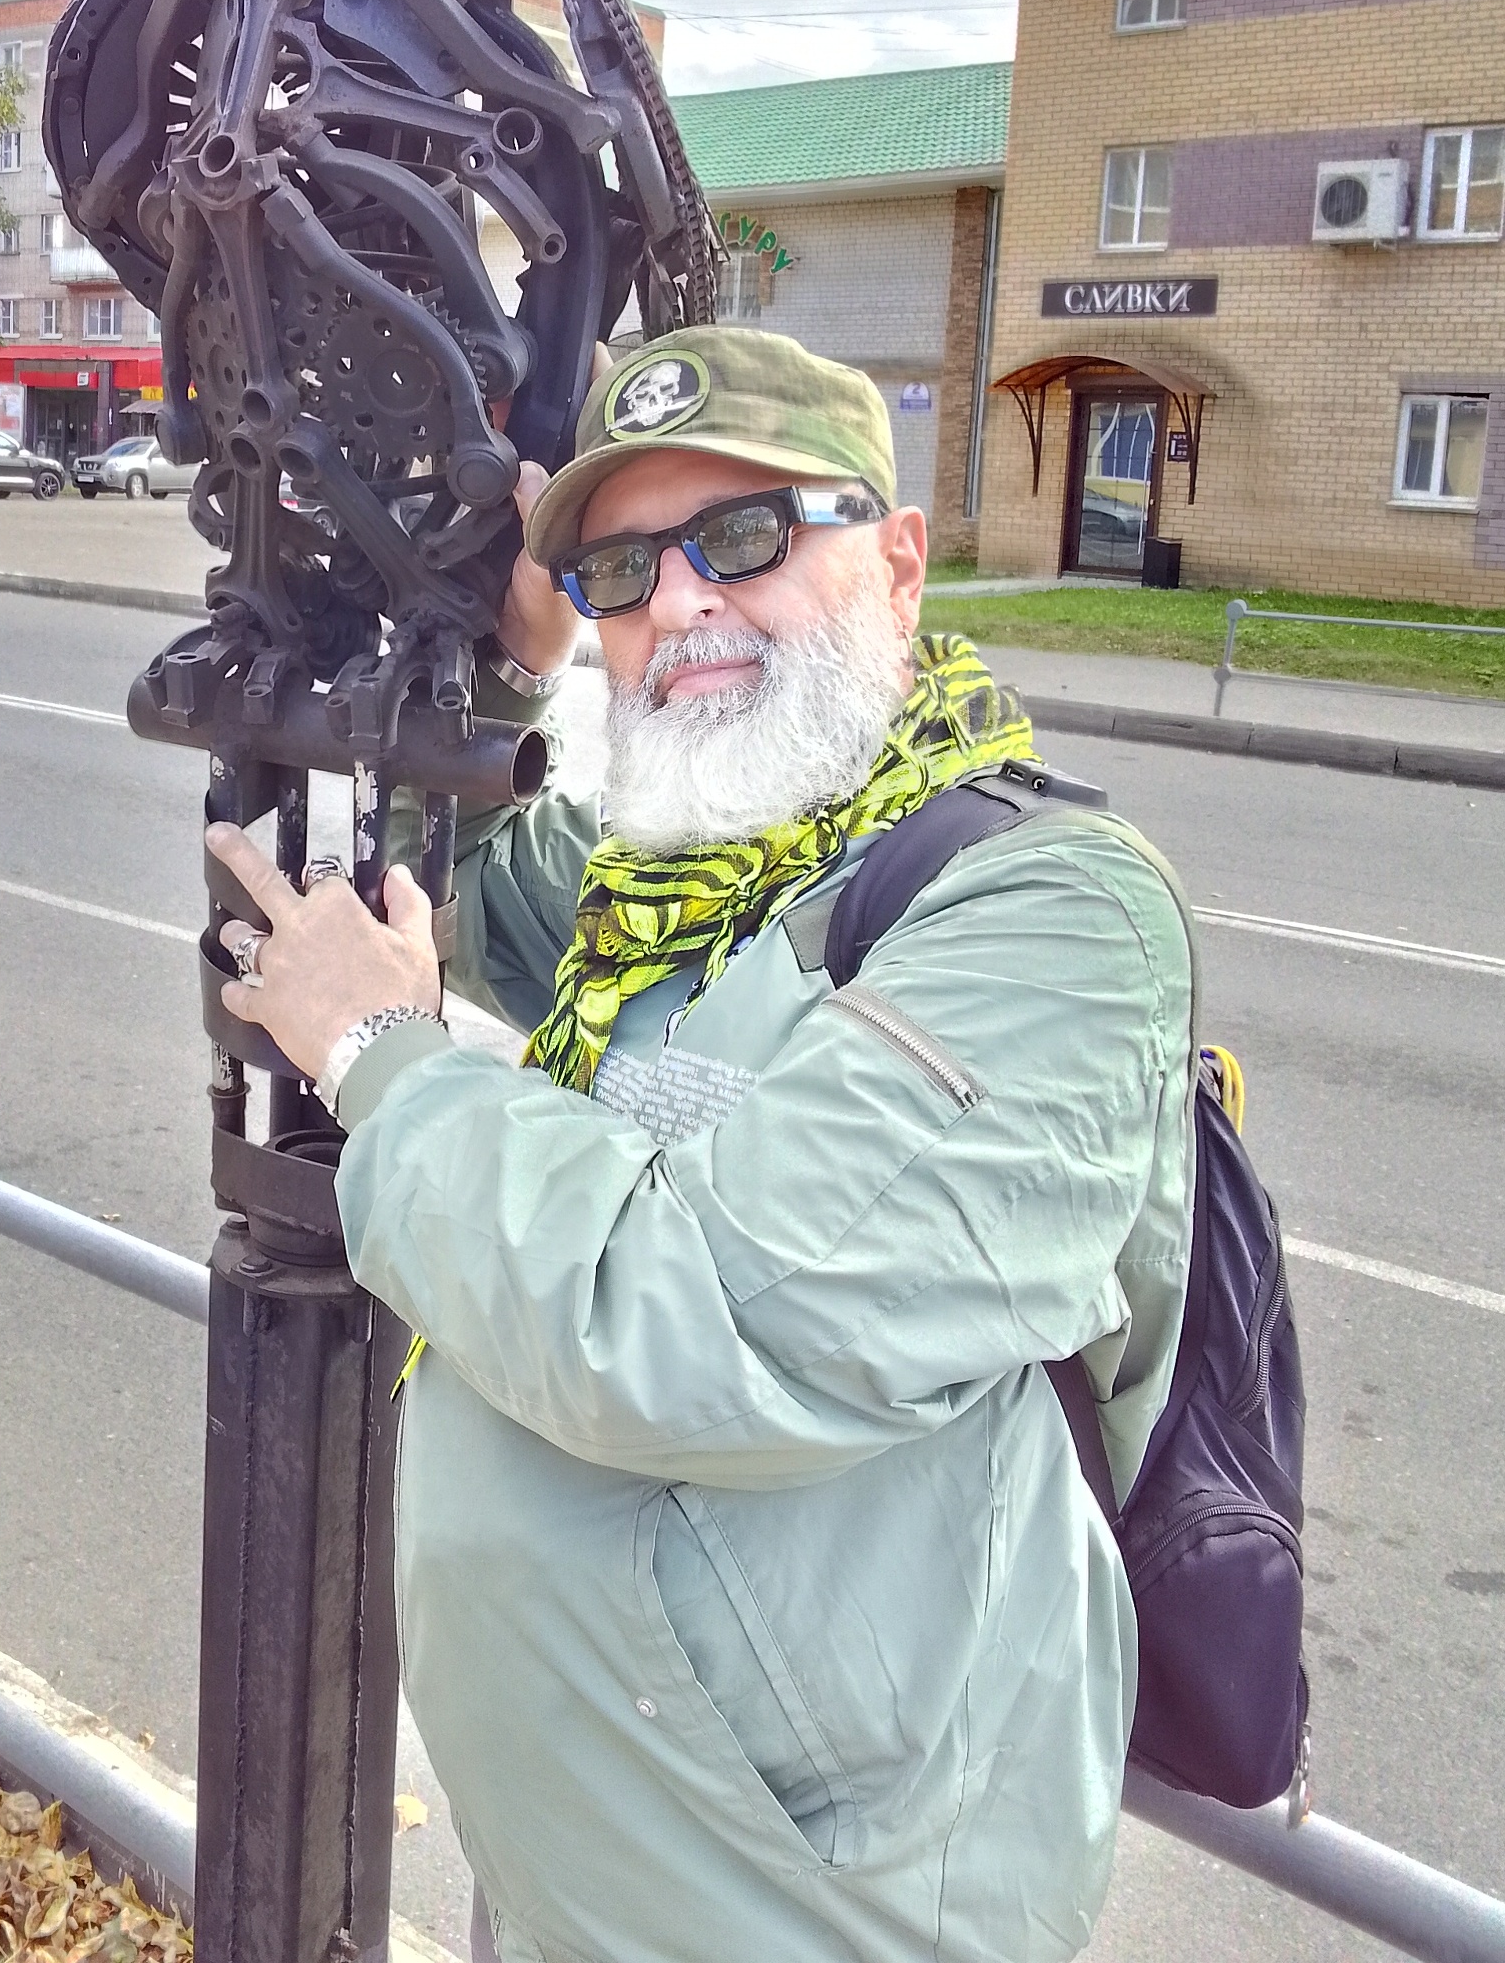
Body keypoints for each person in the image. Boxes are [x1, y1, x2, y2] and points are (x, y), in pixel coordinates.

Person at [211, 325, 1196, 1963]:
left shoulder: (1052, 911)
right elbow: (389, 870)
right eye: (619, 568)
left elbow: (690, 1322)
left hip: (815, 1900)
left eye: (743, 537)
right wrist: (509, 658)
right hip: (590, 1855)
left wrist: (385, 1056)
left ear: (899, 563)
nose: (679, 604)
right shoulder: (669, 861)